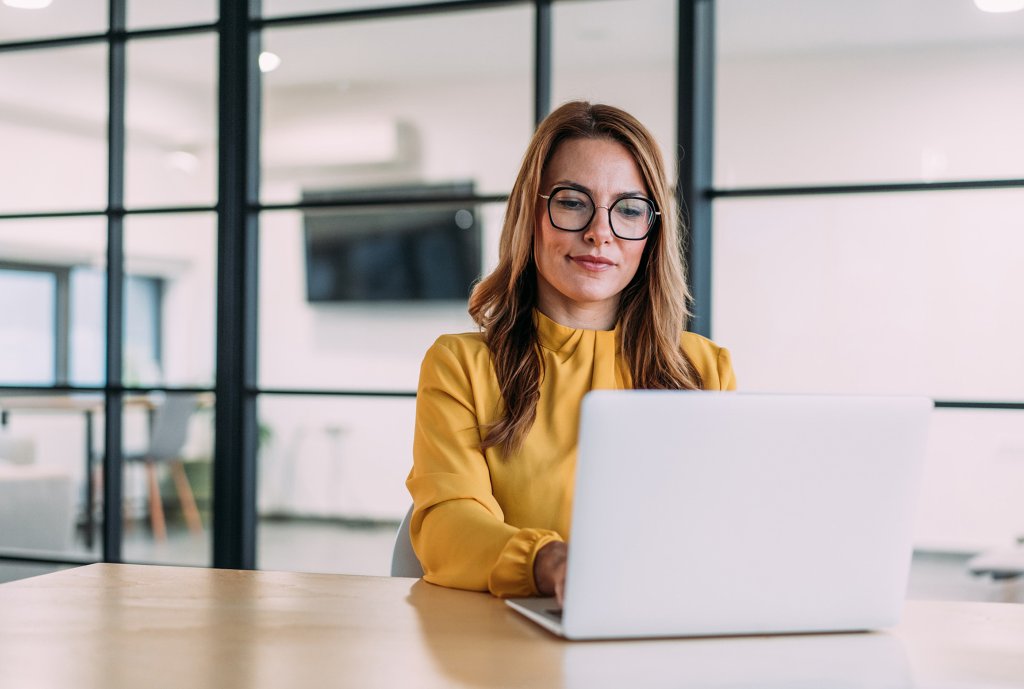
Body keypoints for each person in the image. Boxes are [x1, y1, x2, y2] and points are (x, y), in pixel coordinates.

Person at [406, 101, 736, 602]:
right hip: (508, 643)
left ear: (652, 231)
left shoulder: (705, 368)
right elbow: (447, 521)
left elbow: (724, 530)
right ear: (530, 214)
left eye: (627, 208)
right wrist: (547, 563)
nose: (599, 232)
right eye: (572, 201)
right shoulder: (461, 366)